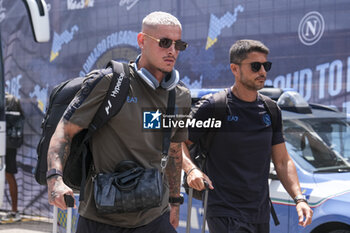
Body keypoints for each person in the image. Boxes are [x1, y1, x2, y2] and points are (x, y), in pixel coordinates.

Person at [46, 11, 191, 233]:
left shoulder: (179, 96)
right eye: (164, 42)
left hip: (154, 217)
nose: (172, 50)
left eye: (178, 44)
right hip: (100, 219)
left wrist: (174, 202)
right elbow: (64, 132)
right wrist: (54, 179)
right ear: (142, 41)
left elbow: (173, 150)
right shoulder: (108, 83)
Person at [182, 39, 313, 233]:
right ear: (235, 69)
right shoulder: (213, 107)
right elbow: (178, 142)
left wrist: (299, 198)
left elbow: (283, 161)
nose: (263, 72)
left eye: (265, 65)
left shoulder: (271, 109)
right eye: (255, 66)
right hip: (224, 211)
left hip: (260, 212)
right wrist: (191, 169)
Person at [1, 93, 24, 222]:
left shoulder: (8, 99)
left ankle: (15, 211)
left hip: (6, 142)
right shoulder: (12, 98)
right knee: (9, 175)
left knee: (9, 175)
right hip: (10, 142)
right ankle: (14, 211)